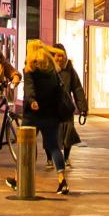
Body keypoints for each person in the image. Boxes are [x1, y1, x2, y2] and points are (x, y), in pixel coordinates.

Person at [14, 40, 75, 194]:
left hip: (32, 115)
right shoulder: (52, 70)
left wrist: (33, 101)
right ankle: (62, 180)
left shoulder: (29, 69)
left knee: (26, 147)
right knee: (54, 147)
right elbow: (57, 91)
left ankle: (18, 179)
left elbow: (29, 89)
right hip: (51, 115)